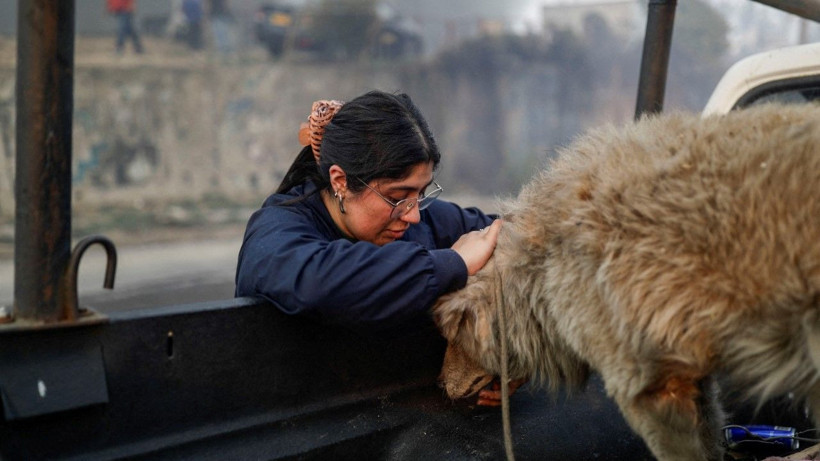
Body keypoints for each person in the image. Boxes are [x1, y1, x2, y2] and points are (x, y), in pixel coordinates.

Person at [234, 90, 508, 405]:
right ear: (340, 181)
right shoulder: (275, 231)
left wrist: (511, 358)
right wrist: (453, 263)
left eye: (420, 195)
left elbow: (514, 234)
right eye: (397, 197)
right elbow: (318, 281)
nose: (413, 215)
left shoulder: (422, 219)